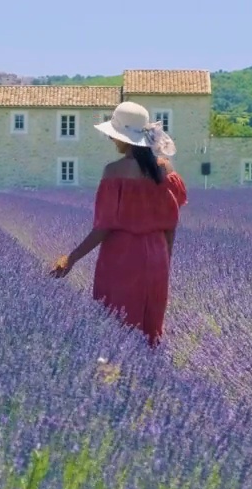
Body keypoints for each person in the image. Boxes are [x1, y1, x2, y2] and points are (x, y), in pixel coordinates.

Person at [50, 101, 187, 347]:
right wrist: (165, 261)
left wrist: (71, 258)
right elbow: (171, 225)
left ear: (125, 138)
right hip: (157, 258)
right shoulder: (165, 170)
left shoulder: (114, 172)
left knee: (116, 331)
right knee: (150, 332)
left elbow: (104, 227)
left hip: (122, 259)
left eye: (115, 136)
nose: (112, 141)